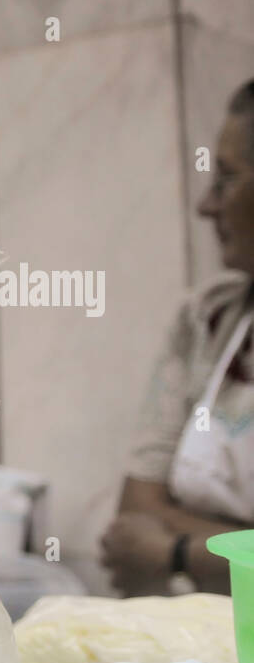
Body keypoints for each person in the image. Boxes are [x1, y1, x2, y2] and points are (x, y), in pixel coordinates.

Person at [101, 78, 254, 596]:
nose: (206, 207)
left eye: (227, 179)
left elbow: (150, 538)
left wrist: (176, 552)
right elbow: (134, 513)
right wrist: (235, 549)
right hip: (198, 643)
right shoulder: (206, 320)